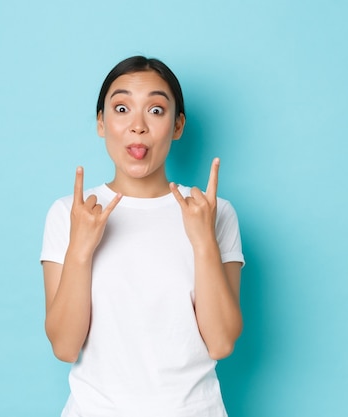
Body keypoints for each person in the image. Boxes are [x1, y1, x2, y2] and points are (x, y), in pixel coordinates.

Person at [40, 55, 244, 417]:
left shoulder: (213, 212)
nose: (137, 126)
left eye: (155, 110)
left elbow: (221, 341)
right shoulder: (69, 214)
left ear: (177, 125)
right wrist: (80, 251)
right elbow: (65, 347)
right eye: (121, 108)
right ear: (102, 123)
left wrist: (202, 242)